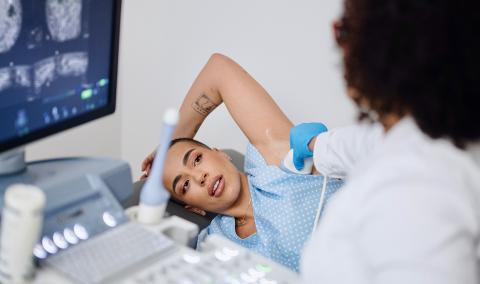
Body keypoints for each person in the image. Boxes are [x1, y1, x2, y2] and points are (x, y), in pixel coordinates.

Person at [289, 1, 480, 283]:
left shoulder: (412, 192)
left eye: (344, 30)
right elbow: (367, 143)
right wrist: (318, 144)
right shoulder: (433, 130)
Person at [140, 53, 343, 271]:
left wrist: (168, 144)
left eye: (197, 159)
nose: (199, 177)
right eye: (185, 185)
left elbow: (218, 70)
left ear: (220, 153)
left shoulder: (272, 163)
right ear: (194, 208)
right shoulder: (213, 245)